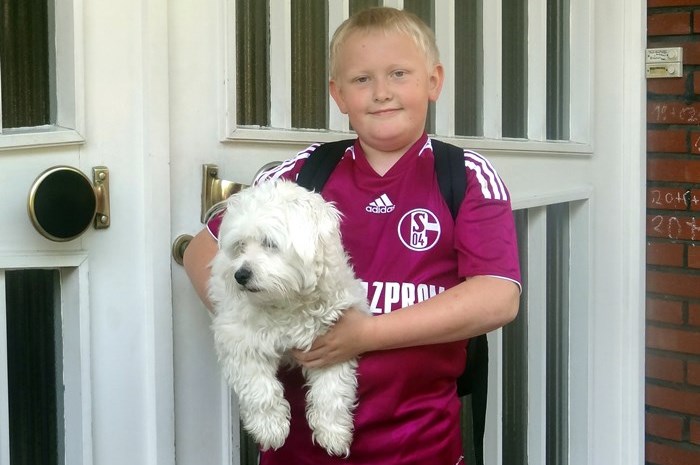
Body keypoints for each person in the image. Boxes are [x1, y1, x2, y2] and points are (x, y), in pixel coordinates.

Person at [183, 7, 520, 465]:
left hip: (420, 446)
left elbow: (497, 297)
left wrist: (365, 334)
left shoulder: (464, 175)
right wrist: (258, 322)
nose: (381, 92)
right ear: (338, 94)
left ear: (433, 81)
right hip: (298, 452)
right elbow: (201, 250)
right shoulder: (304, 173)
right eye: (362, 79)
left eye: (398, 74)